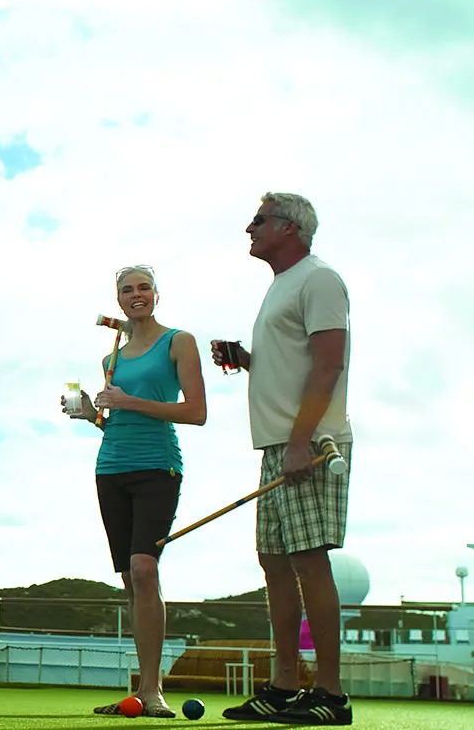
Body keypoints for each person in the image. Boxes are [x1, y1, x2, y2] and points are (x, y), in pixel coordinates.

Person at [214, 193, 354, 725]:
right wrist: (247, 361)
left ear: (290, 228)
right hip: (281, 444)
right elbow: (294, 367)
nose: (249, 228)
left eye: (259, 220)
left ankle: (332, 696)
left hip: (313, 446)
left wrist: (301, 440)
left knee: (309, 561)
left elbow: (328, 366)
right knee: (275, 564)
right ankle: (283, 686)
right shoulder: (280, 286)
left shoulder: (319, 279)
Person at [65, 265, 207, 718]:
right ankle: (142, 689)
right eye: (127, 290)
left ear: (157, 295)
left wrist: (128, 401)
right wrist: (91, 413)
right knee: (130, 578)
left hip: (158, 467)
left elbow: (196, 412)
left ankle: (153, 691)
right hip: (110, 468)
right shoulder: (111, 358)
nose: (136, 295)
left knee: (145, 569)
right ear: (120, 300)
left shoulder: (178, 341)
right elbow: (113, 420)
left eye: (144, 287)